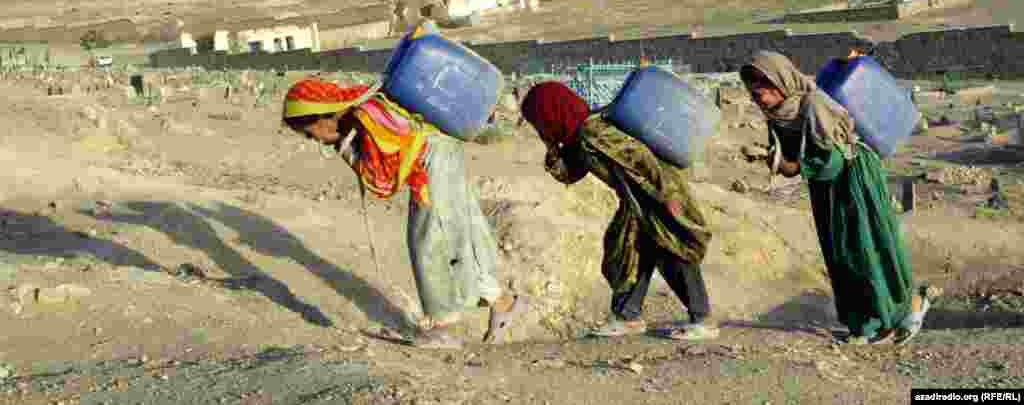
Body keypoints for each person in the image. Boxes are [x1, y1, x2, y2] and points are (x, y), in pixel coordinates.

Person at [281, 77, 525, 349]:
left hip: (433, 165)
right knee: (458, 236)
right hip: (441, 156)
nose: (312, 139)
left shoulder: (367, 117)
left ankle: (443, 326)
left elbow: (381, 182)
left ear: (321, 117)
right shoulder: (366, 106)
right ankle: (503, 304)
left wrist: (344, 147)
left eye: (308, 132)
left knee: (430, 241)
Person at [740, 51, 931, 345]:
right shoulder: (778, 114)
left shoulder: (814, 105)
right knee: (839, 254)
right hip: (825, 187)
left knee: (865, 248)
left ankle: (893, 316)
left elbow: (833, 159)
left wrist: (791, 166)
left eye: (763, 87)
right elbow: (794, 156)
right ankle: (863, 324)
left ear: (781, 81)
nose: (758, 96)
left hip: (854, 178)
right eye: (753, 90)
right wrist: (774, 158)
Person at [519, 81, 717, 341]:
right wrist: (552, 149)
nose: (540, 128)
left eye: (540, 121)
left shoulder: (594, 133)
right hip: (636, 200)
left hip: (655, 194)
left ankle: (702, 319)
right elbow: (570, 174)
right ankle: (627, 315)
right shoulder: (580, 135)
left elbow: (640, 158)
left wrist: (666, 194)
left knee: (671, 251)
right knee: (627, 251)